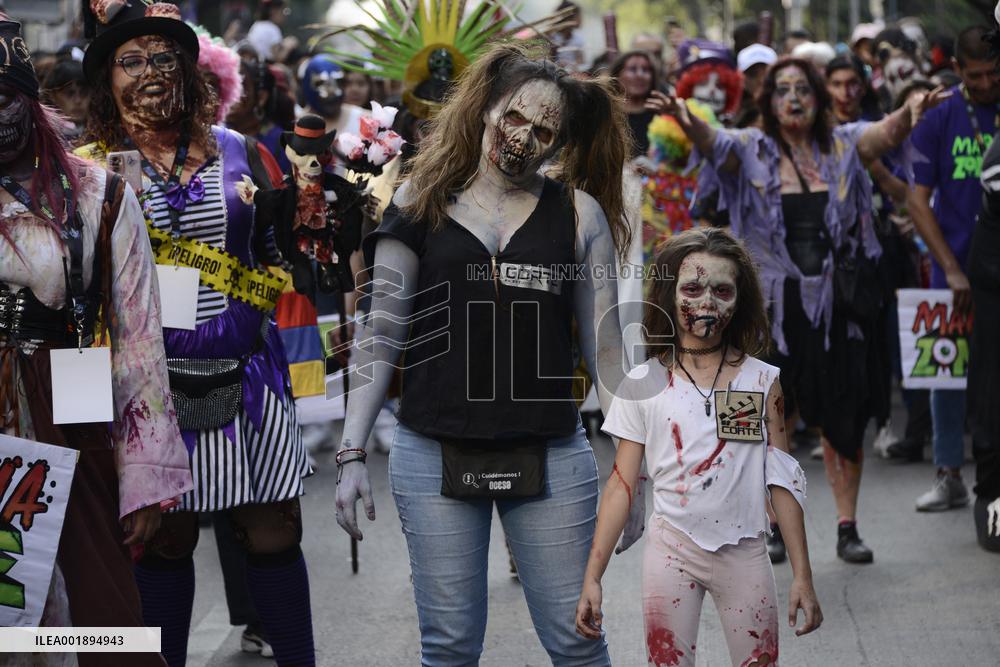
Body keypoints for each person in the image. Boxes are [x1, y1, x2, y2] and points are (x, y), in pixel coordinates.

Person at [335, 42, 639, 665]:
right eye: (514, 118)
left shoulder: (579, 217)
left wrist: (633, 473)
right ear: (484, 109)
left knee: (577, 643)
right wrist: (350, 450)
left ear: (561, 145)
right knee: (447, 649)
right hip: (432, 452)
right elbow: (380, 330)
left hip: (550, 454)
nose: (523, 138)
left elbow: (608, 350)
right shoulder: (419, 201)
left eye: (544, 131)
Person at [80, 3, 314, 665]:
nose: (151, 72)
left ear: (189, 70)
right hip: (147, 386)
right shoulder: (90, 167)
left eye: (163, 58)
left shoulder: (237, 149)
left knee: (273, 529)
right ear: (107, 80)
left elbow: (273, 250)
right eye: (131, 60)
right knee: (165, 538)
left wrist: (266, 293)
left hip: (246, 373)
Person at [657, 57, 948, 564]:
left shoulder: (844, 144)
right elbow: (713, 144)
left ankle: (847, 527)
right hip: (765, 311)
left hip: (838, 311)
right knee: (752, 420)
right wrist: (688, 120)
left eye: (803, 90)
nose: (793, 99)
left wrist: (911, 109)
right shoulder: (750, 148)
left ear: (818, 97)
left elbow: (883, 134)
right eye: (782, 90)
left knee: (845, 417)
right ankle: (766, 524)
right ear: (768, 101)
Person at [0, 16, 192, 666]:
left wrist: (142, 476)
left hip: (70, 410)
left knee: (98, 618)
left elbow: (139, 341)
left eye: (4, 97)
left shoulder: (97, 193)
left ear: (28, 96)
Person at [575, 228, 821, 666]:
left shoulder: (760, 381)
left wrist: (803, 575)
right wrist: (593, 577)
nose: (707, 302)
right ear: (669, 295)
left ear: (739, 299)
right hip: (671, 554)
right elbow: (620, 485)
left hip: (744, 551)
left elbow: (782, 481)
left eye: (722, 290)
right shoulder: (644, 383)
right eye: (692, 288)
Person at [907, 25, 1000, 514]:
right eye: (978, 76)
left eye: (994, 74)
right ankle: (948, 474)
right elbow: (917, 201)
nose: (987, 84)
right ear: (959, 71)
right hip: (955, 272)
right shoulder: (940, 115)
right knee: (947, 371)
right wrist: (951, 267)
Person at [611, 50, 659, 158]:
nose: (640, 75)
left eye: (646, 70)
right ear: (617, 75)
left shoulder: (661, 115)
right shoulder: (607, 115)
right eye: (632, 69)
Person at [41, 58, 88, 142]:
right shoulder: (43, 135)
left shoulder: (105, 131)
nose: (78, 100)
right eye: (69, 93)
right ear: (53, 96)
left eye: (84, 93)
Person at [247, 0, 293, 64]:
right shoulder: (272, 29)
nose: (285, 15)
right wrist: (289, 46)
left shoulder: (256, 25)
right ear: (274, 11)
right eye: (284, 11)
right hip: (265, 68)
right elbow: (278, 58)